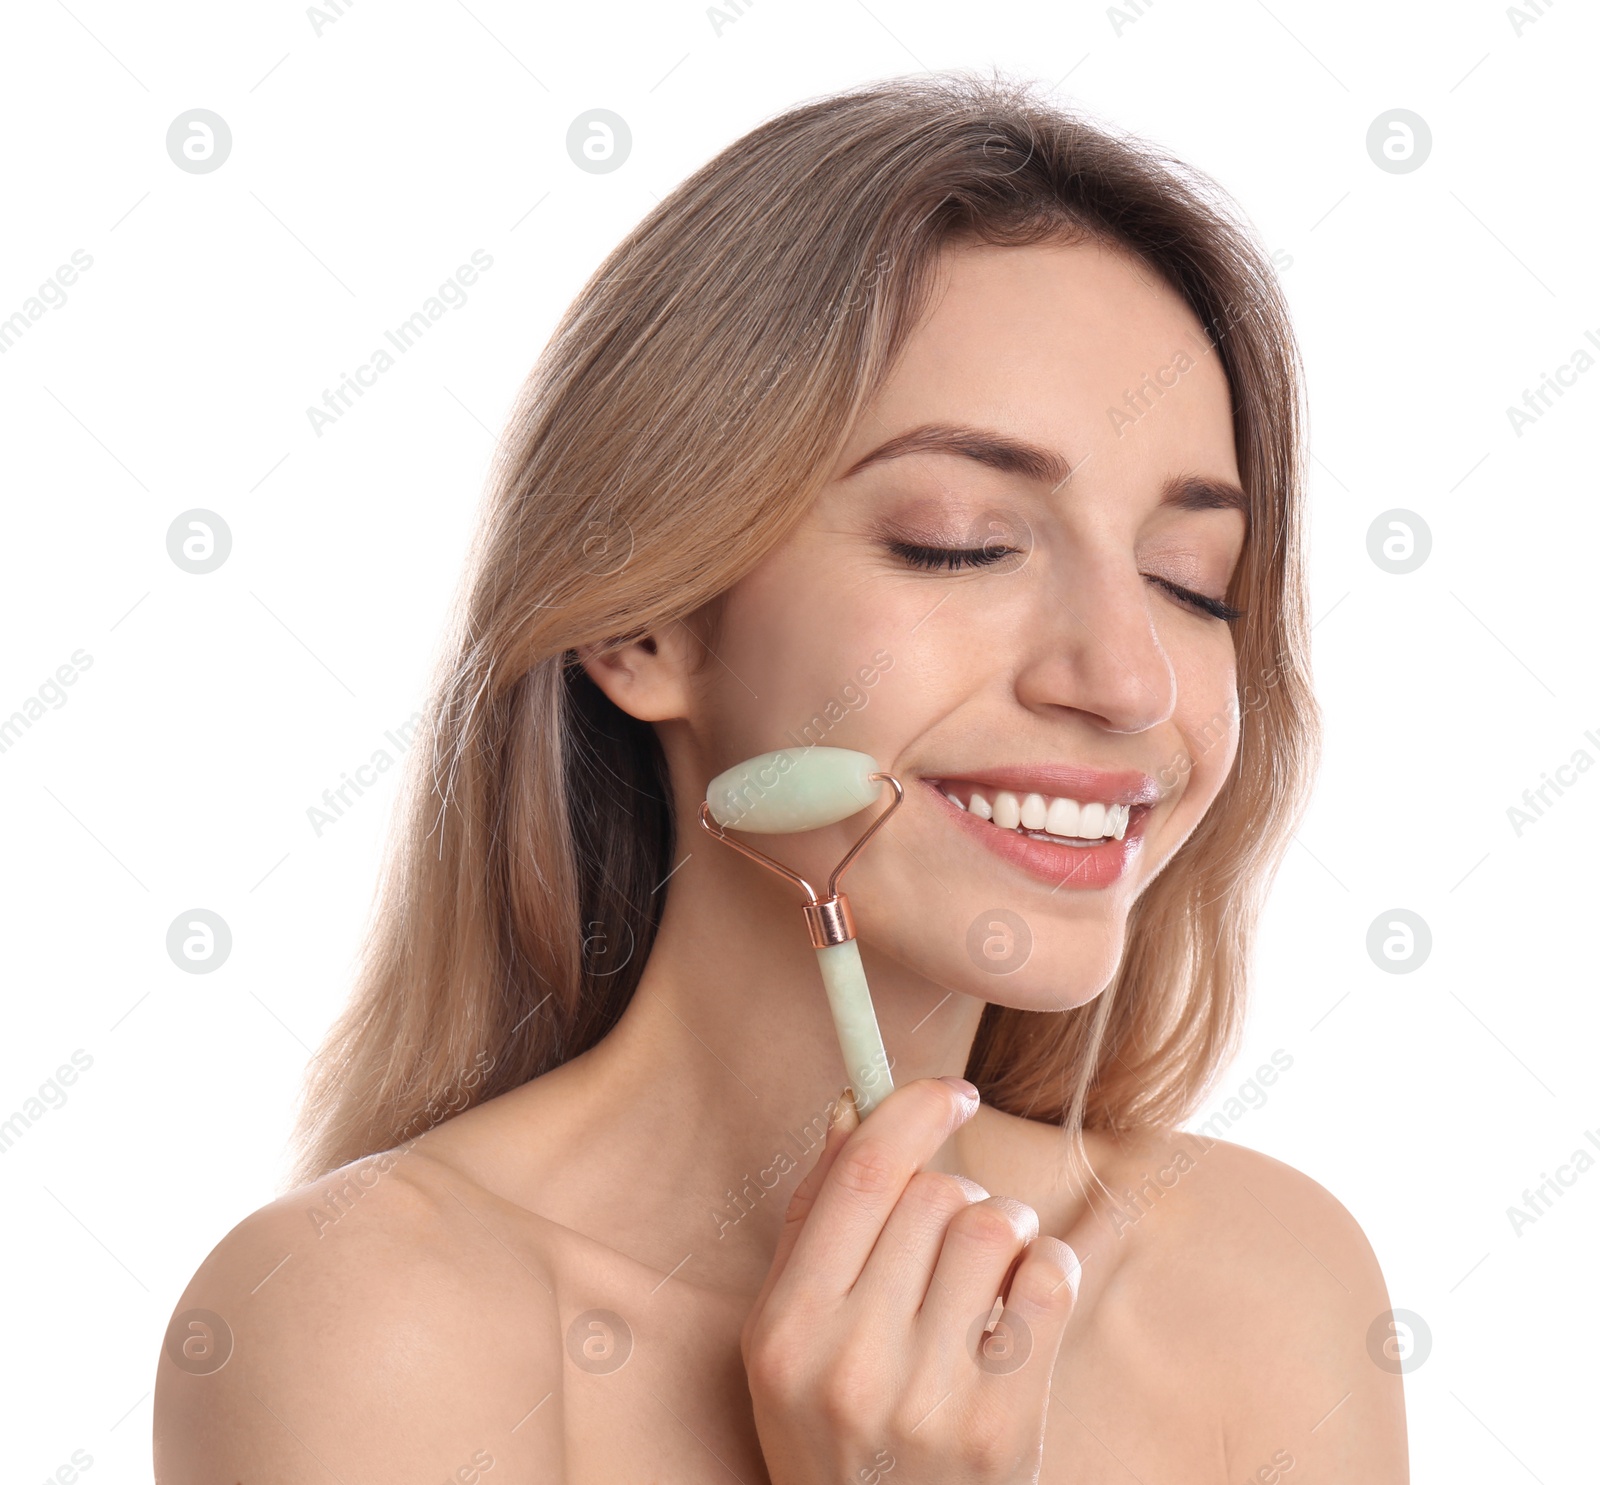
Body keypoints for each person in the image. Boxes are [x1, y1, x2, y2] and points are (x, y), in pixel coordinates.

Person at [154, 73, 1407, 1482]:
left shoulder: (1263, 1292)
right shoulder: (366, 1327)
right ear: (646, 621)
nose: (1129, 681)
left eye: (1194, 582)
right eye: (960, 541)